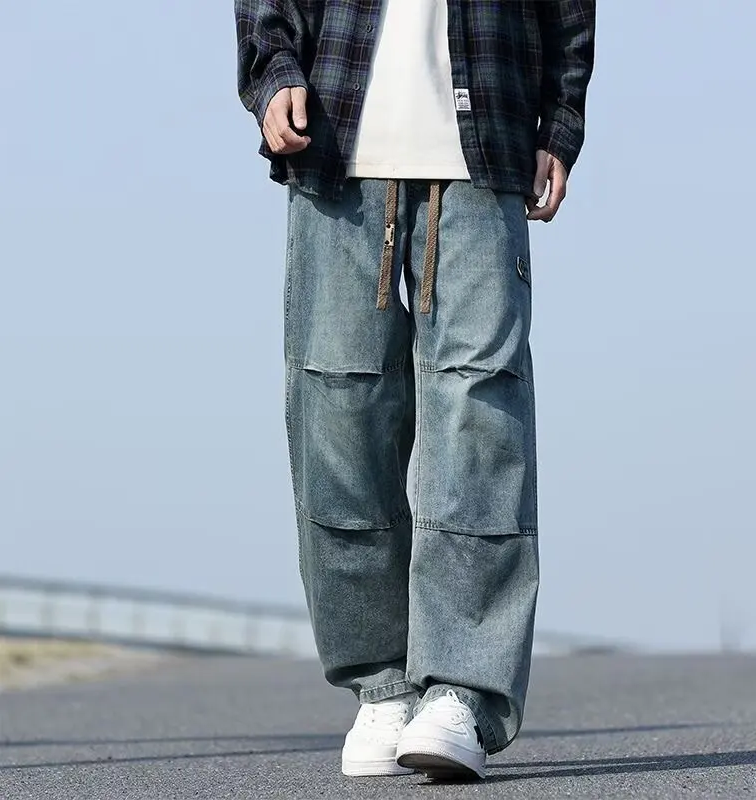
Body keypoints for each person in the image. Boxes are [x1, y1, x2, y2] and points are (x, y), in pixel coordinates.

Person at [235, 0, 595, 781]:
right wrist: (273, 72)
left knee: (480, 418)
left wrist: (561, 120)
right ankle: (382, 686)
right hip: (336, 145)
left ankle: (462, 690)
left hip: (488, 143)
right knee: (338, 420)